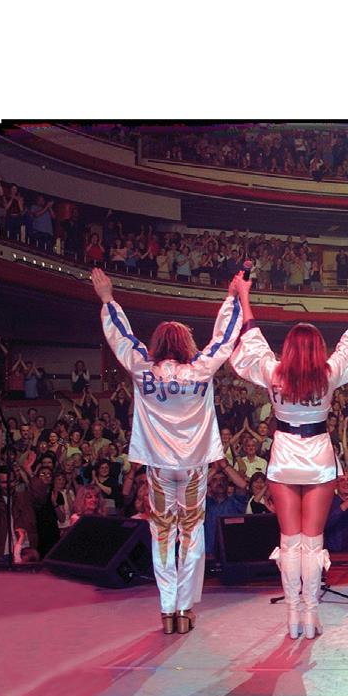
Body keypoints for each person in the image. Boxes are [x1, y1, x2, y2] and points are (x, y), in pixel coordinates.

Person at [229, 272, 348, 639]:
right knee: (312, 541)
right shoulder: (327, 374)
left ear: (288, 349)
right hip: (317, 459)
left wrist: (243, 296)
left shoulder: (273, 373)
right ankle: (311, 613)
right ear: (317, 349)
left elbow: (252, 336)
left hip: (284, 457)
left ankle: (293, 616)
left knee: (290, 540)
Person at [91, 266, 247, 636]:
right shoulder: (200, 369)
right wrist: (232, 298)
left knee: (162, 533)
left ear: (158, 345)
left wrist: (108, 299)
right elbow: (224, 339)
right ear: (185, 344)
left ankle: (167, 610)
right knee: (191, 534)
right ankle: (185, 609)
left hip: (159, 468)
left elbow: (121, 338)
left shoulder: (143, 369)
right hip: (192, 467)